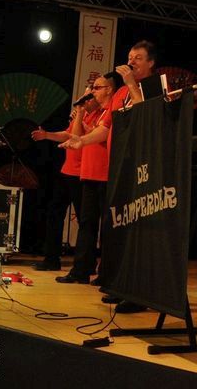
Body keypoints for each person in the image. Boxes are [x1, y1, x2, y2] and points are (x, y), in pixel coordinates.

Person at [61, 41, 157, 313]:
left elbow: (147, 117)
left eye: (138, 58)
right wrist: (82, 141)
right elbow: (105, 128)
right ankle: (116, 282)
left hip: (141, 167)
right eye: (130, 57)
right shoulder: (121, 93)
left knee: (133, 230)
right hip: (119, 168)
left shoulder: (153, 87)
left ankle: (134, 289)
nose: (132, 62)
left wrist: (131, 83)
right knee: (116, 228)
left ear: (151, 63)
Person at [55, 73, 117, 284]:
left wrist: (84, 135)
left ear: (109, 89)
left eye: (97, 88)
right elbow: (80, 135)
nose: (93, 92)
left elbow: (103, 136)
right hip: (89, 174)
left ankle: (106, 273)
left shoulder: (111, 111)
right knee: (87, 224)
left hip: (106, 174)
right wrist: (80, 115)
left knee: (108, 227)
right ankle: (80, 271)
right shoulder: (96, 114)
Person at [28, 93, 99, 271]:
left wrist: (80, 114)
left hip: (82, 173)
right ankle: (51, 259)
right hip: (67, 170)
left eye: (89, 96)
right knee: (54, 213)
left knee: (85, 220)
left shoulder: (98, 116)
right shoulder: (82, 115)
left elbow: (76, 136)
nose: (85, 99)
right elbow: (67, 134)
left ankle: (86, 263)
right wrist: (46, 135)